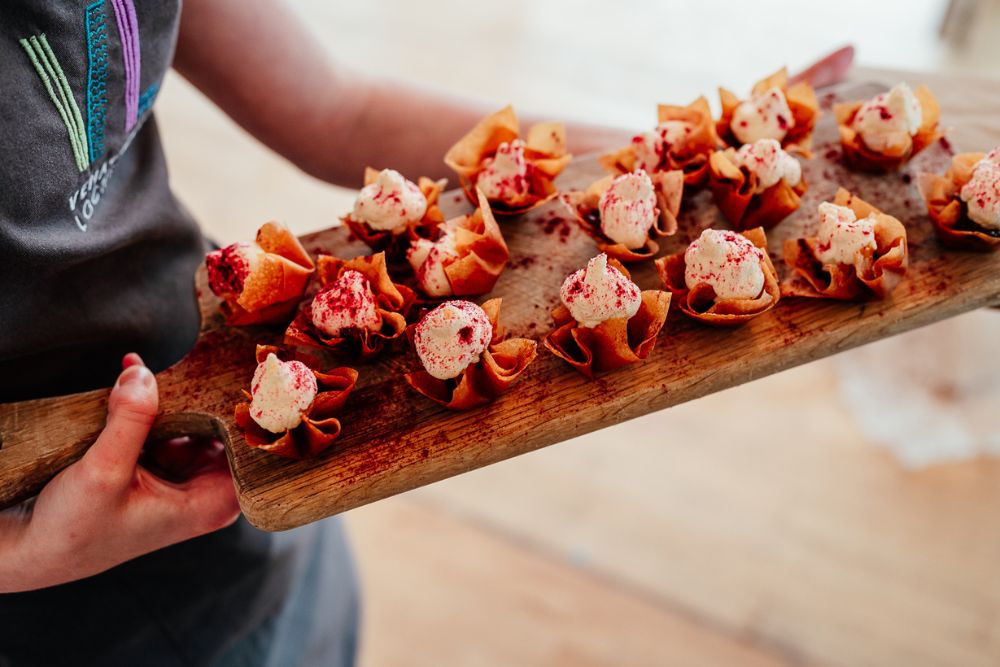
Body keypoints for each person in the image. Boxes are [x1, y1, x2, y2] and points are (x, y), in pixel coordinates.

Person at [0, 0, 850, 662]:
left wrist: (677, 154)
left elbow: (337, 109)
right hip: (55, 606)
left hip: (232, 403)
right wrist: (20, 554)